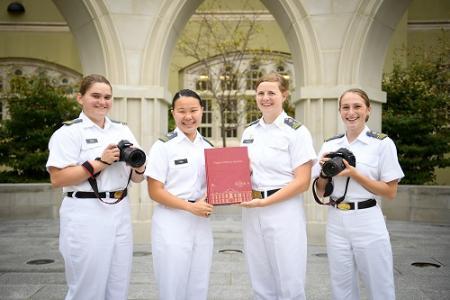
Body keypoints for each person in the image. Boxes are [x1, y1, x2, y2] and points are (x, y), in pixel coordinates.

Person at [46, 74, 146, 300]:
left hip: (119, 208)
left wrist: (140, 167)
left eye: (108, 97)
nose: (103, 102)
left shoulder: (121, 130)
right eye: (96, 96)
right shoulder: (69, 133)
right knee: (86, 287)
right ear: (80, 98)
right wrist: (100, 162)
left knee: (118, 284)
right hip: (85, 212)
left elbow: (137, 179)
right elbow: (58, 178)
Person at [312, 88, 404, 300]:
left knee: (379, 285)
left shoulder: (382, 144)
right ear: (340, 111)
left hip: (367, 219)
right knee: (341, 286)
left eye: (357, 107)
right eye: (345, 107)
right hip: (336, 220)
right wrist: (324, 173)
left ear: (368, 110)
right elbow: (320, 191)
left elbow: (390, 192)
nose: (351, 112)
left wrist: (354, 173)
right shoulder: (330, 144)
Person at [240, 72, 317, 299]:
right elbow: (246, 171)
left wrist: (265, 202)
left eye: (271, 93)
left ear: (284, 95)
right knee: (260, 280)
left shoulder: (296, 132)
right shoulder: (249, 132)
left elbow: (302, 181)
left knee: (289, 281)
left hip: (283, 210)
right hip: (253, 209)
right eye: (260, 93)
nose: (265, 98)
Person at [145, 89, 214, 300]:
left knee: (199, 285)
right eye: (182, 111)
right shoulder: (163, 147)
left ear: (202, 111)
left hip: (201, 222)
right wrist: (190, 207)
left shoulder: (208, 147)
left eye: (193, 110)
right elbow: (154, 191)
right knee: (172, 286)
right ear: (173, 112)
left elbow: (214, 186)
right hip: (171, 221)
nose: (188, 116)